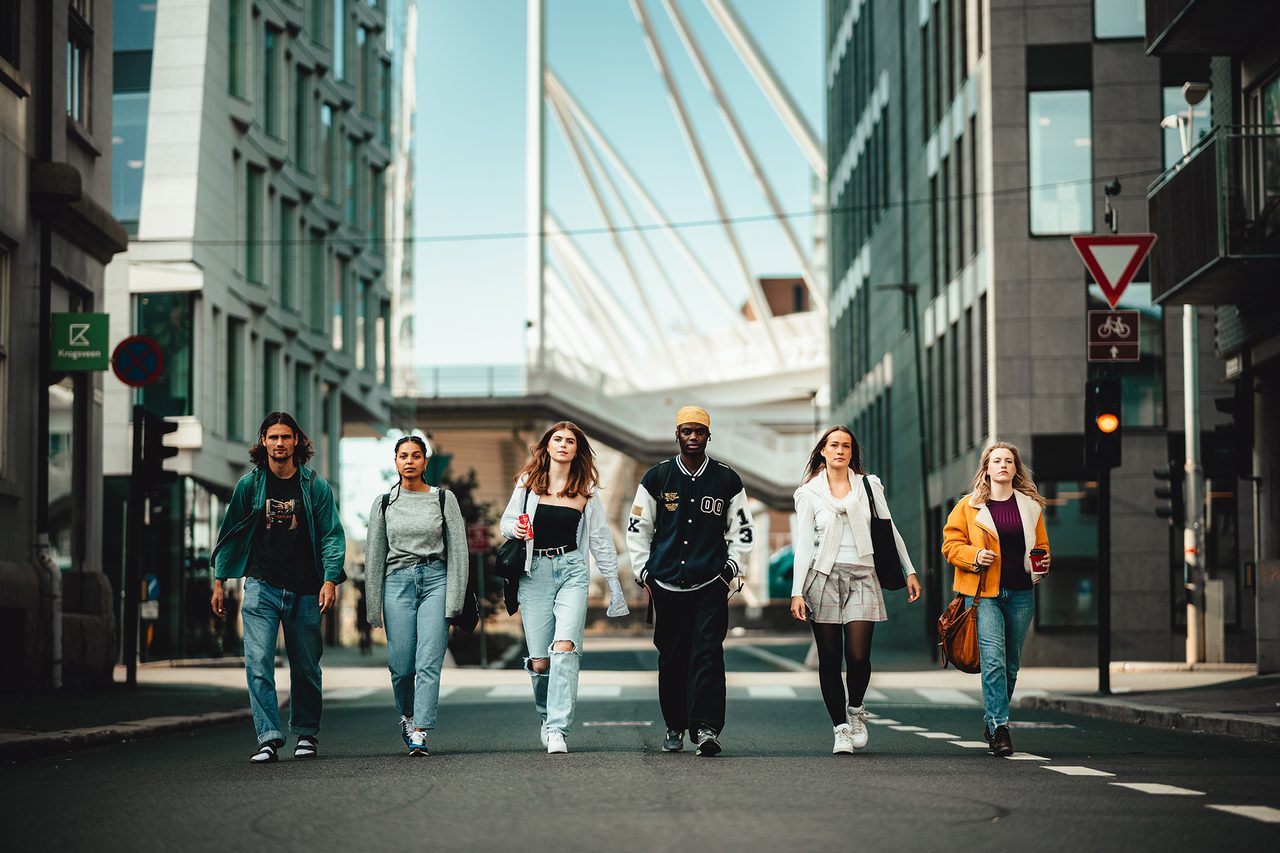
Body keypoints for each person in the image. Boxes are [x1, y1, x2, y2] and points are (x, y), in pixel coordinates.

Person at [210, 412, 346, 764]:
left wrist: (330, 579)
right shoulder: (249, 486)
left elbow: (332, 535)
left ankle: (306, 734)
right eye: (273, 437)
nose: (280, 443)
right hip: (261, 586)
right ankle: (268, 737)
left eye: (286, 437)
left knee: (306, 667)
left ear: (296, 441)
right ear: (263, 442)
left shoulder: (314, 486)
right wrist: (219, 580)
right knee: (257, 663)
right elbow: (230, 533)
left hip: (305, 589)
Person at [626, 406, 754, 757]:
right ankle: (674, 725)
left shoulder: (727, 479)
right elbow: (638, 529)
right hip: (665, 585)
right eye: (687, 431)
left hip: (710, 583)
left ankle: (707, 728)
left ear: (708, 436)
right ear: (677, 435)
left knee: (708, 655)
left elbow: (742, 530)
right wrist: (644, 572)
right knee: (672, 658)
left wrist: (731, 569)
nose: (693, 437)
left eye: (699, 431)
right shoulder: (657, 477)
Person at [499, 421, 630, 754]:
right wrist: (518, 528)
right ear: (547, 446)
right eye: (557, 439)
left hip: (572, 570)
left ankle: (558, 728)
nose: (563, 445)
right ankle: (546, 717)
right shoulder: (529, 484)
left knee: (565, 651)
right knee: (541, 661)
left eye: (569, 441)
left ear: (577, 450)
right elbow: (505, 522)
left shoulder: (586, 489)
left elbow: (600, 539)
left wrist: (614, 583)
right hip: (535, 572)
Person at [790, 426, 921, 754]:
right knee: (830, 659)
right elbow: (804, 544)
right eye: (833, 445)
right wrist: (796, 591)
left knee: (859, 656)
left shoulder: (869, 485)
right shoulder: (809, 493)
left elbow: (889, 531)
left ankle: (856, 708)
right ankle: (840, 728)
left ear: (852, 452)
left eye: (845, 446)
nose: (839, 451)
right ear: (823, 450)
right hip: (822, 578)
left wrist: (910, 570)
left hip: (863, 575)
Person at [941, 441, 1051, 757]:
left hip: (1021, 593)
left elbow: (1042, 546)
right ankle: (1000, 727)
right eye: (996, 460)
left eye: (1008, 461)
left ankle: (992, 721)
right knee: (993, 659)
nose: (1002, 465)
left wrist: (1042, 561)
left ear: (1015, 469)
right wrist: (975, 555)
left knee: (1011, 665)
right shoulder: (968, 506)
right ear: (987, 469)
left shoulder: (1031, 507)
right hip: (983, 595)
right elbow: (950, 545)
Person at [364, 435, 469, 757]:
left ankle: (420, 729)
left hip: (436, 580)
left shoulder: (443, 499)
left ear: (426, 461)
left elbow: (459, 551)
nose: (409, 461)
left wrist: (455, 600)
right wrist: (372, 608)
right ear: (395, 462)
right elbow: (374, 555)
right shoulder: (384, 503)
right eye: (403, 456)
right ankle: (407, 716)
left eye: (416, 456)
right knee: (401, 666)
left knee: (428, 661)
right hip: (397, 582)